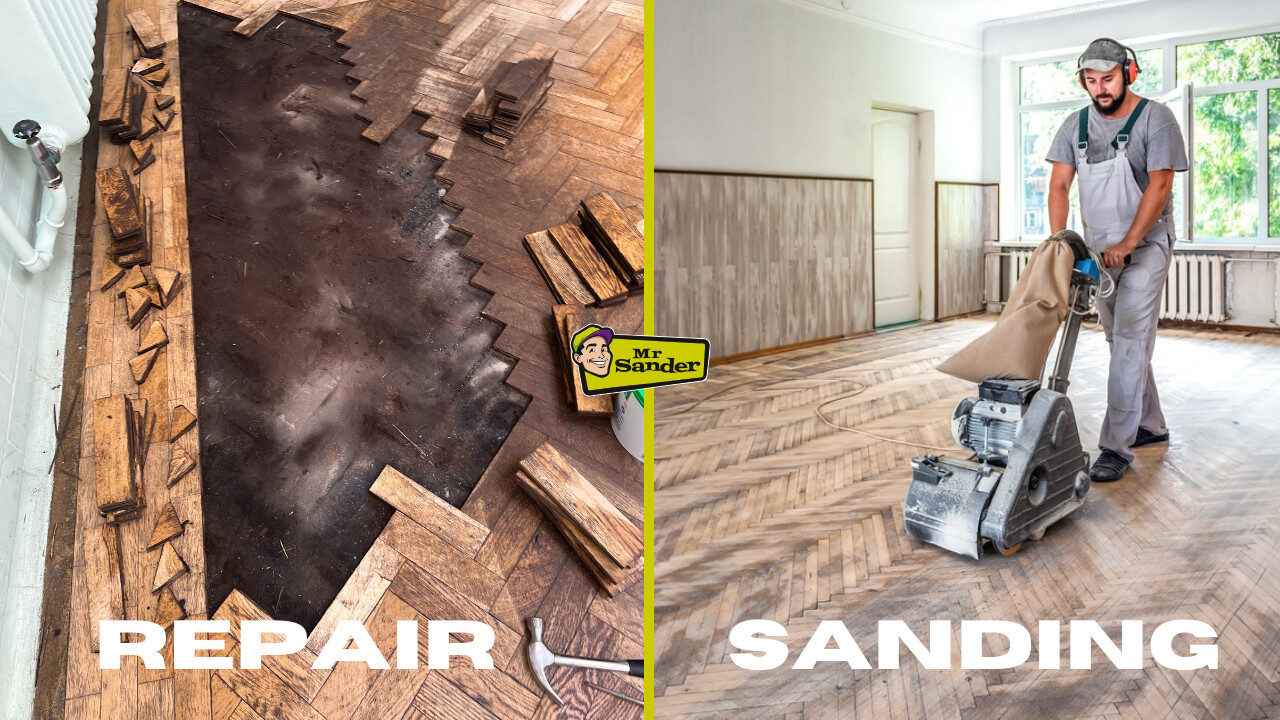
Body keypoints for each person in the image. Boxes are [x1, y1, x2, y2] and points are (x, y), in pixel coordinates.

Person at [1044, 37, 1188, 482]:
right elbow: (1059, 188)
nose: (1100, 89)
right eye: (1091, 80)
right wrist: (1060, 243)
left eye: (1108, 79)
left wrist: (1128, 242)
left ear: (1130, 73)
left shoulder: (1157, 119)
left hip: (1146, 247)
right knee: (1121, 341)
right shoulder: (1075, 125)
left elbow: (1160, 186)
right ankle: (1150, 426)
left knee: (1128, 339)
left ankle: (1116, 447)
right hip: (1100, 252)